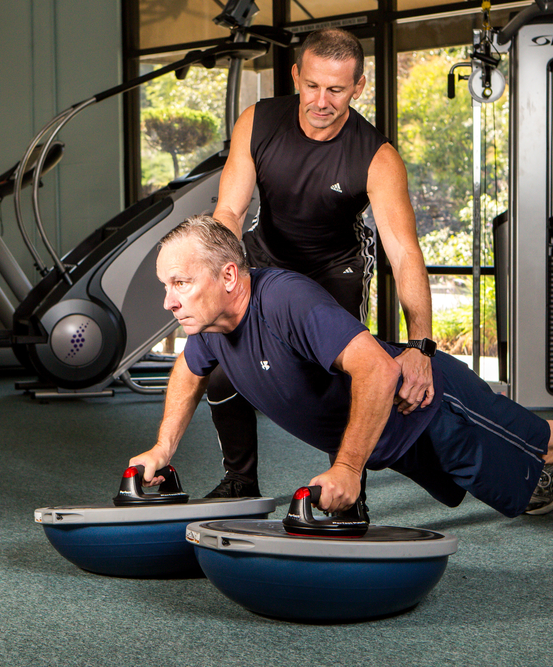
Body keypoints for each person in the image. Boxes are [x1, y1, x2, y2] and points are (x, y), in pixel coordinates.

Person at [130, 216, 553, 535]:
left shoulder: (285, 302)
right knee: (505, 488)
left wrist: (347, 468)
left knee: (546, 443)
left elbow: (373, 367)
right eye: (165, 285)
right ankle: (536, 470)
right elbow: (187, 368)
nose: (168, 299)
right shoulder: (209, 326)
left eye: (180, 283)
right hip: (392, 435)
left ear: (229, 275)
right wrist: (163, 446)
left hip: (432, 407)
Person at [204, 27, 434, 500]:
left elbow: (404, 251)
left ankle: (350, 493)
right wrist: (216, 278)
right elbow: (229, 211)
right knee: (223, 368)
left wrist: (422, 346)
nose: (321, 100)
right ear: (295, 75)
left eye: (336, 89)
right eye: (312, 85)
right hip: (265, 258)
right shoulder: (259, 121)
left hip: (335, 269)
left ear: (358, 87)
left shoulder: (376, 155)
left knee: (351, 376)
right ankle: (239, 482)